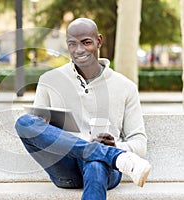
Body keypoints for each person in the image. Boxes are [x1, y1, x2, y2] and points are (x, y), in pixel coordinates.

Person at [15, 18, 151, 200]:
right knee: (24, 122)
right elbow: (37, 130)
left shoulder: (125, 87)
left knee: (95, 163)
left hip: (105, 170)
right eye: (72, 44)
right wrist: (45, 127)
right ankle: (113, 155)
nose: (79, 50)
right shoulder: (50, 80)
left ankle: (106, 153)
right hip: (65, 168)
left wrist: (116, 145)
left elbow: (140, 144)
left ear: (99, 41)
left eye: (86, 42)